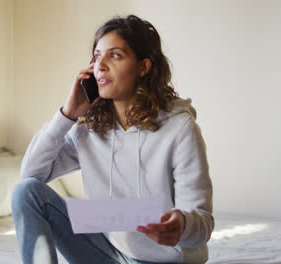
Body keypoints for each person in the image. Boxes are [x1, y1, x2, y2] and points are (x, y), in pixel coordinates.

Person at [11, 14, 213, 264]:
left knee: (105, 214)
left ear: (144, 67)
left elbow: (203, 223)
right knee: (26, 192)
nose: (100, 65)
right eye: (97, 56)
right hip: (107, 251)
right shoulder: (90, 126)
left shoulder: (179, 127)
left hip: (165, 258)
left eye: (115, 55)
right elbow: (31, 174)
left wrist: (182, 224)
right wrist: (68, 115)